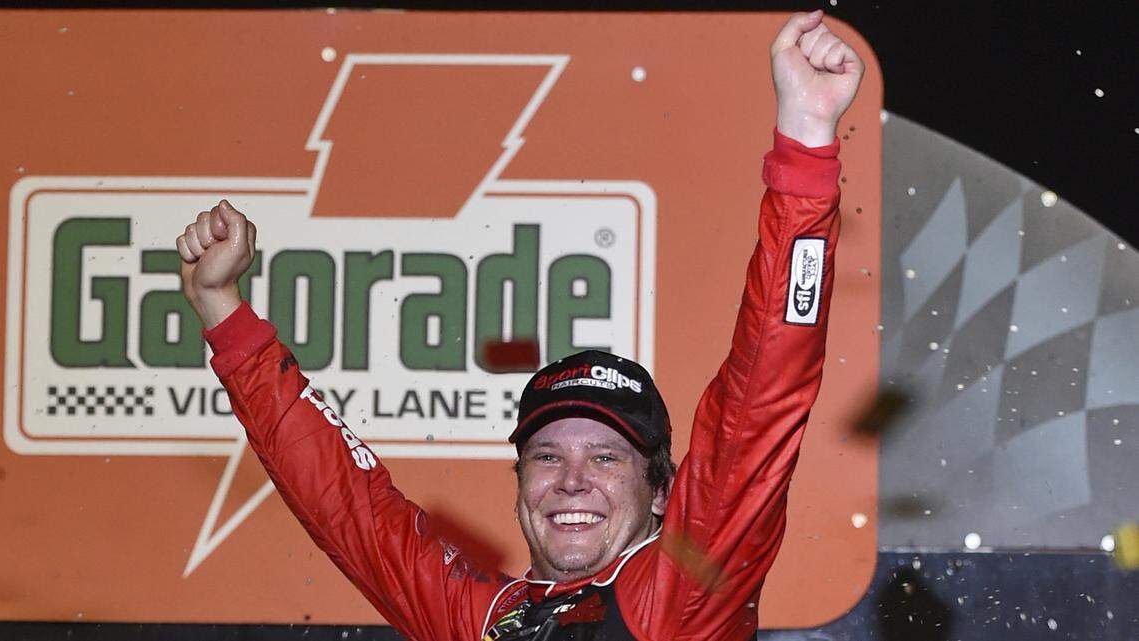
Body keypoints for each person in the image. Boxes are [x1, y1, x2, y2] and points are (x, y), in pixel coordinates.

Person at [175, 10, 862, 640]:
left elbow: (762, 395)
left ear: (660, 494)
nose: (571, 480)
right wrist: (222, 311)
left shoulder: (678, 596)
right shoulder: (480, 620)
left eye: (605, 456)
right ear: (518, 485)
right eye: (547, 456)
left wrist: (805, 146)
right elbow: (343, 503)